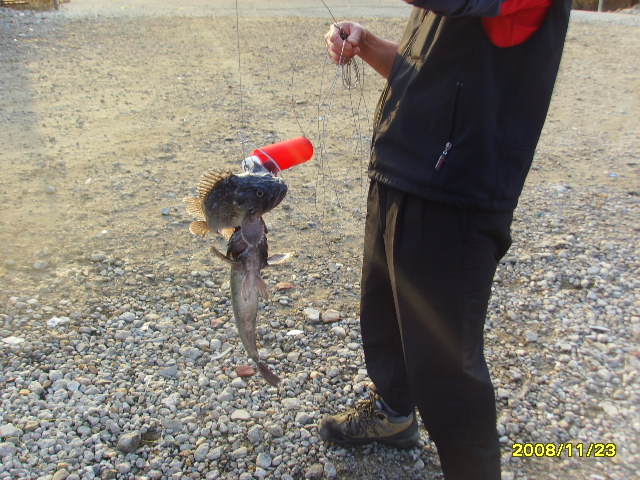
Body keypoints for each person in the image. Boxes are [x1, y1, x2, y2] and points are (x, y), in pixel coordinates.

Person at [318, 1, 571, 479]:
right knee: (383, 316)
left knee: (447, 368)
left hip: (455, 196)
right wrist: (367, 44)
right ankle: (394, 415)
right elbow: (425, 72)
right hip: (400, 169)